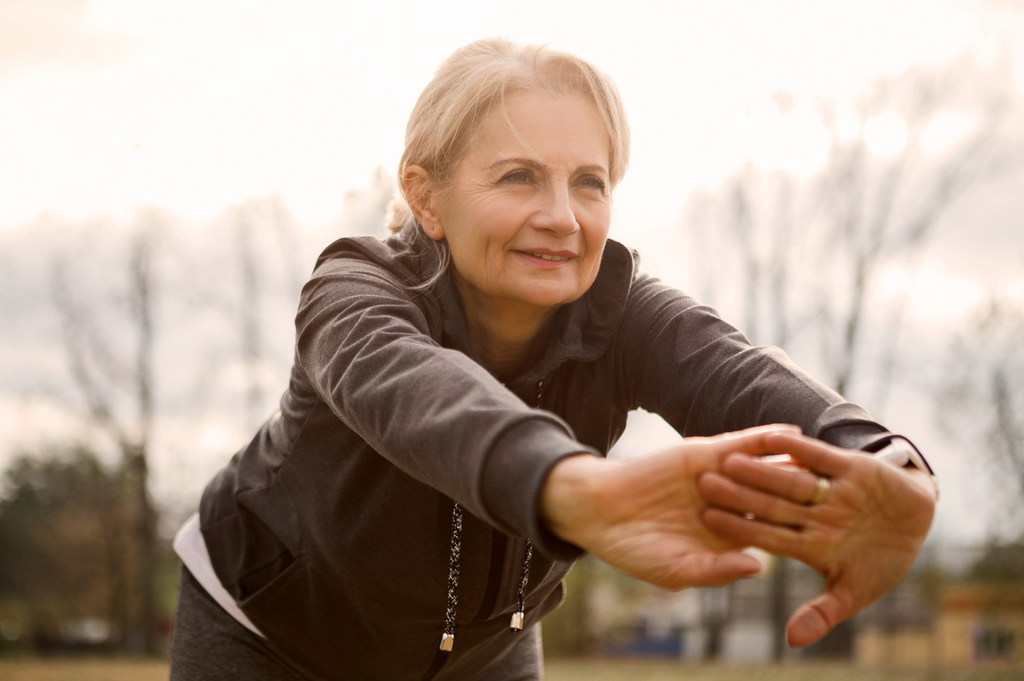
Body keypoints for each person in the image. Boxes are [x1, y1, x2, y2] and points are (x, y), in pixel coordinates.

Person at [169, 37, 938, 681]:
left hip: (481, 647)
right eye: (519, 177)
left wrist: (886, 463)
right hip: (266, 626)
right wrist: (578, 490)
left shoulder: (623, 312)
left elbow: (734, 372)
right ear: (427, 197)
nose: (562, 218)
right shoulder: (354, 290)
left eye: (589, 183)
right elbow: (425, 399)